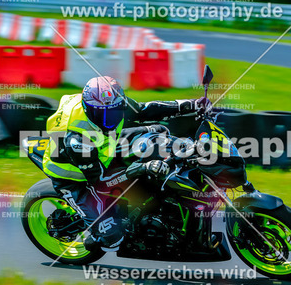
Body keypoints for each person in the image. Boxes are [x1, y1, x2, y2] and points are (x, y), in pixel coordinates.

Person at [42, 76, 209, 252]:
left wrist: (190, 105)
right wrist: (143, 167)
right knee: (113, 238)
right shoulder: (77, 141)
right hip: (75, 178)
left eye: (114, 111)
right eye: (102, 113)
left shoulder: (114, 101)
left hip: (103, 145)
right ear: (87, 108)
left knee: (159, 132)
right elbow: (100, 181)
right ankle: (96, 236)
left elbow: (143, 110)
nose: (109, 118)